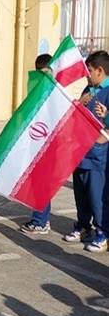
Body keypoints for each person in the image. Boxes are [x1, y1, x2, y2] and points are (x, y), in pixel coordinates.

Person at [66, 50, 109, 253]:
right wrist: (78, 104)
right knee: (81, 192)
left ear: (100, 71)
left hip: (98, 153)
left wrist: (107, 115)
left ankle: (103, 232)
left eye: (89, 70)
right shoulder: (88, 89)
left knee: (97, 195)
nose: (86, 75)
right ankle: (83, 226)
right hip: (81, 150)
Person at [20, 53, 54, 235]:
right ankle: (40, 218)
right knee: (36, 184)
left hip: (48, 147)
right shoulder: (37, 92)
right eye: (39, 73)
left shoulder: (56, 94)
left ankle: (40, 221)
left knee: (42, 184)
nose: (42, 77)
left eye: (45, 73)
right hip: (36, 144)